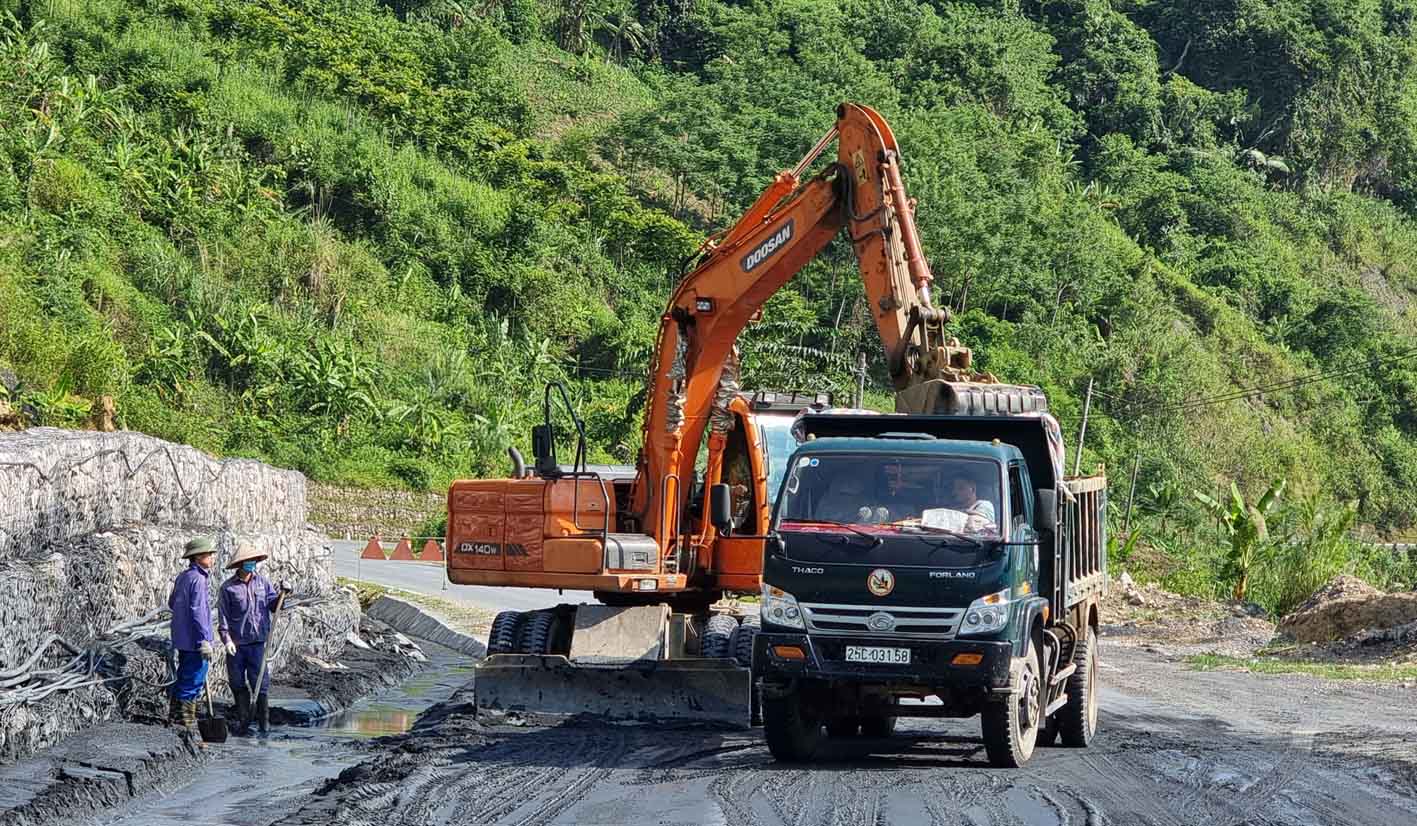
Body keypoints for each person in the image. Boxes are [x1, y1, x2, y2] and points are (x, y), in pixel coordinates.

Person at [217, 543, 290, 736]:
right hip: (237, 644)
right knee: (237, 683)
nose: (251, 564)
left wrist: (283, 594)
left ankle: (264, 725)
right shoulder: (228, 588)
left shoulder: (263, 583)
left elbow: (274, 605)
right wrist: (226, 640)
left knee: (260, 684)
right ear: (239, 564)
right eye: (248, 562)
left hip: (257, 643)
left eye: (254, 561)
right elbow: (223, 616)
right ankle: (244, 722)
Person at [168, 536, 216, 736]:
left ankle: (174, 717)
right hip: (195, 639)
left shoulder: (183, 577)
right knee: (194, 680)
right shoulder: (198, 579)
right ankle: (186, 723)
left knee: (183, 676)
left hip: (182, 637)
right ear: (197, 557)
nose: (212, 558)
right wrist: (203, 639)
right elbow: (198, 612)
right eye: (208, 555)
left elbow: (172, 603)